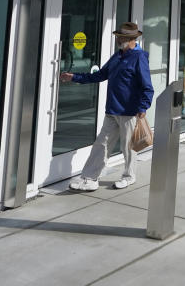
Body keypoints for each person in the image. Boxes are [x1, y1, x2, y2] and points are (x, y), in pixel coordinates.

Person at [60, 21, 154, 190]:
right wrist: (74, 77)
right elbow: (101, 75)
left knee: (128, 147)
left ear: (132, 39)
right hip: (112, 110)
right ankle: (90, 178)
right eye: (119, 37)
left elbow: (147, 86)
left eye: (122, 37)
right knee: (101, 144)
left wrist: (143, 107)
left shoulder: (139, 57)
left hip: (130, 111)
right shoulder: (117, 56)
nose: (119, 40)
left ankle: (129, 176)